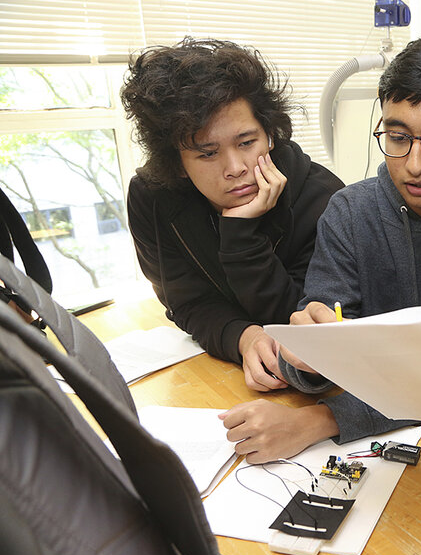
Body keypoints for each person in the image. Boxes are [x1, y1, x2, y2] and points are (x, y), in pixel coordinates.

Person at [220, 34, 421, 463]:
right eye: (397, 137)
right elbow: (320, 347)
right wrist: (306, 359)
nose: (414, 164)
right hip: (361, 429)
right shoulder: (349, 210)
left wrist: (321, 421)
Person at [121, 38, 343, 391]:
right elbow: (186, 302)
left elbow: (301, 325)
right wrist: (242, 336)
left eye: (246, 142)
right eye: (207, 154)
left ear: (270, 135)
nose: (236, 167)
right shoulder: (152, 198)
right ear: (176, 163)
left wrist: (240, 232)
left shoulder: (324, 199)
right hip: (226, 380)